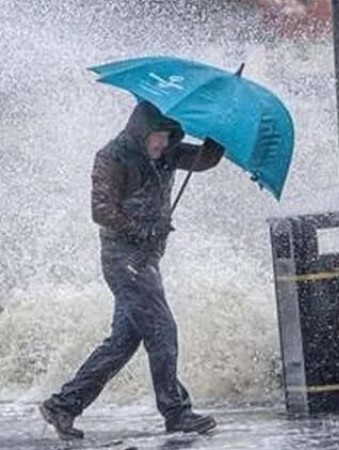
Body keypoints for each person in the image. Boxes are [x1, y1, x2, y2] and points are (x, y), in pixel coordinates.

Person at [40, 101, 224, 440]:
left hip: (146, 260)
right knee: (162, 329)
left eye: (168, 137)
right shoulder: (112, 157)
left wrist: (219, 132)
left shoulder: (167, 152)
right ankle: (177, 412)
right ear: (141, 132)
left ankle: (63, 405)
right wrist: (141, 229)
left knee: (123, 341)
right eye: (157, 137)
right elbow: (101, 210)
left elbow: (204, 160)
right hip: (123, 259)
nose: (162, 145)